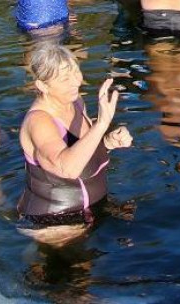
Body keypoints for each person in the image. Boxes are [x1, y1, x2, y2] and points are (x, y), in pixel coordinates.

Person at [18, 44, 132, 229]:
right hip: (54, 222)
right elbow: (66, 169)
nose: (76, 82)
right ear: (43, 86)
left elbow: (83, 150)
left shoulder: (76, 101)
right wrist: (101, 124)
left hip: (93, 208)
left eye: (76, 72)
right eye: (65, 79)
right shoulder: (39, 121)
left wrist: (108, 141)